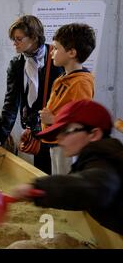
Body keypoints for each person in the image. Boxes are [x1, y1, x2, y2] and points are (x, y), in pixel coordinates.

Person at [12, 100, 123, 235]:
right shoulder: (89, 160)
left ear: (93, 134)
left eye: (66, 131)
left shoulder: (105, 160)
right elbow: (77, 197)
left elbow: (94, 186)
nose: (59, 138)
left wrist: (37, 188)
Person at [0, 15, 63, 175]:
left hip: (57, 129)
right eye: (13, 39)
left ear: (33, 37)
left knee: (59, 173)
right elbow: (11, 102)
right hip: (35, 130)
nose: (14, 43)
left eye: (18, 39)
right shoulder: (17, 64)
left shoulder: (57, 58)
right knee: (42, 173)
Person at [39, 23, 95, 175]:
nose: (52, 52)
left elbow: (81, 120)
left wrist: (53, 119)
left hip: (68, 143)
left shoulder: (80, 82)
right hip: (58, 141)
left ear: (71, 52)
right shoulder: (65, 77)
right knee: (59, 181)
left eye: (56, 48)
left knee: (66, 185)